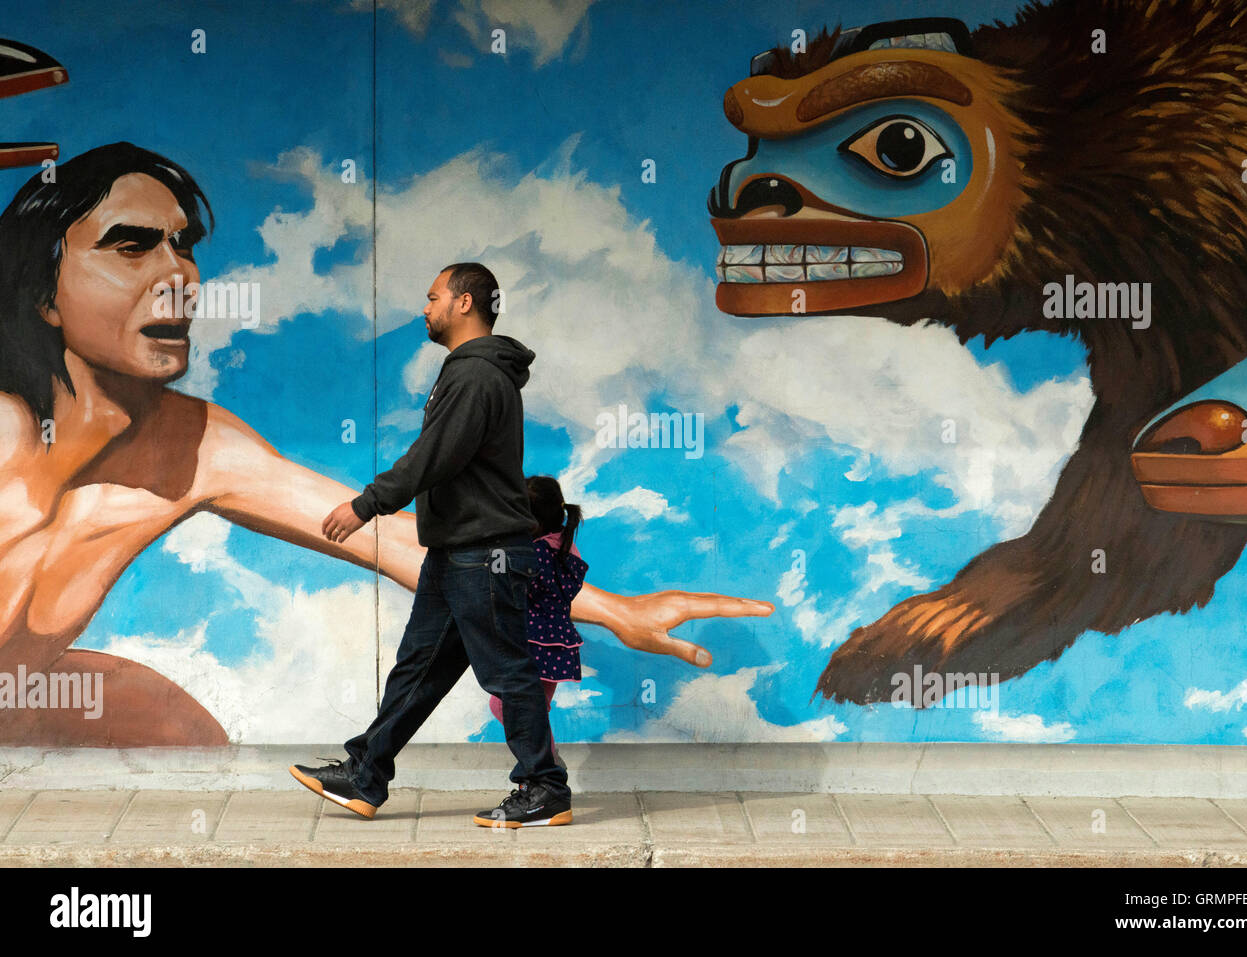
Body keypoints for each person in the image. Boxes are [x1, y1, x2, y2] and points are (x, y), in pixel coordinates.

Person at [0, 141, 773, 751]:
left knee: (179, 731)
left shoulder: (197, 444)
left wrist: (613, 609)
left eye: (183, 246)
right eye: (131, 247)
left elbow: (394, 540)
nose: (178, 275)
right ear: (42, 290)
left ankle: (386, 772)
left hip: (22, 689)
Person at [293, 262, 573, 826]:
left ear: (464, 302)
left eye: (432, 296)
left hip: (485, 552)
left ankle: (544, 788)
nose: (425, 308)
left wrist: (365, 504)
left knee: (508, 673)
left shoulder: (474, 376)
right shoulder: (470, 372)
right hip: (457, 552)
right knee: (417, 668)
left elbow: (433, 455)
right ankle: (366, 774)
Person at [484, 475, 586, 771]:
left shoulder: (533, 554)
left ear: (531, 523)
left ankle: (546, 763)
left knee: (505, 705)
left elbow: (498, 580)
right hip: (557, 644)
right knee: (535, 710)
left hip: (533, 643)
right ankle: (546, 765)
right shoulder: (566, 549)